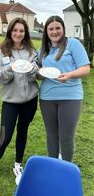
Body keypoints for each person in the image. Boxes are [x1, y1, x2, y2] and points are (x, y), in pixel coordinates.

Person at [0, 17, 39, 194]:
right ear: (10, 32)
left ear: (25, 33)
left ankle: (18, 166)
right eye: (15, 30)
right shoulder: (2, 51)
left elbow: (35, 75)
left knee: (23, 132)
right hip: (10, 101)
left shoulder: (31, 50)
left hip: (30, 100)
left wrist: (30, 70)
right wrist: (11, 69)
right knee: (5, 137)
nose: (18, 34)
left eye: (21, 31)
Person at [38, 15, 90, 162]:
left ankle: (66, 168)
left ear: (63, 29)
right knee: (52, 135)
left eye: (57, 28)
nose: (54, 32)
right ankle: (54, 165)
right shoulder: (42, 49)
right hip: (47, 97)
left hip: (71, 97)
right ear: (46, 31)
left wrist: (70, 75)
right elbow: (41, 74)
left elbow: (85, 69)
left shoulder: (73, 44)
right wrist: (38, 73)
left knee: (66, 137)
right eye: (51, 29)